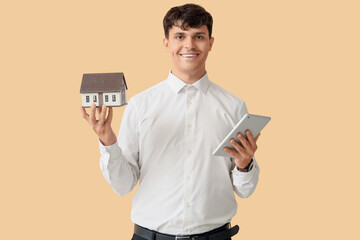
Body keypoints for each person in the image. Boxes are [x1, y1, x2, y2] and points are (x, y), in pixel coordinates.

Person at [81, 3, 261, 240]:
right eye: (180, 36)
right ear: (166, 43)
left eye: (199, 36)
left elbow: (245, 190)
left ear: (211, 43)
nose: (189, 45)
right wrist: (107, 140)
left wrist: (244, 164)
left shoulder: (233, 107)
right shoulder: (140, 105)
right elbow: (123, 186)